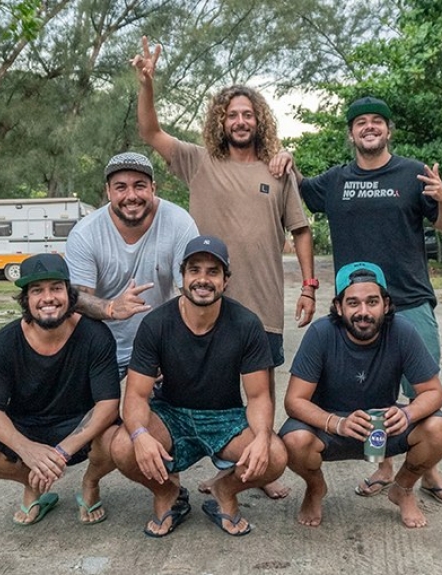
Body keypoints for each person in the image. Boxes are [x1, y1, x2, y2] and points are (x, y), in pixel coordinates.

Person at [132, 36, 316, 499]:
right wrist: (147, 83)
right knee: (193, 386)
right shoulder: (198, 161)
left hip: (263, 300)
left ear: (259, 121)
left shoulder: (279, 171)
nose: (240, 121)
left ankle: (254, 465)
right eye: (232, 114)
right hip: (204, 302)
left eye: (247, 114)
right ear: (221, 120)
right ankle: (179, 459)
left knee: (262, 390)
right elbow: (150, 132)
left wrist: (310, 286)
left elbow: (301, 230)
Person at [275, 96, 442, 505]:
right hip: (356, 304)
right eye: (361, 122)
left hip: (409, 299)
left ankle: (426, 470)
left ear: (388, 130)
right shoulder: (336, 181)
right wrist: (288, 157)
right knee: (370, 389)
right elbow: (299, 190)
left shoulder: (413, 173)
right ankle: (382, 465)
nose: (370, 127)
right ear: (351, 133)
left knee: (420, 391)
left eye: (378, 121)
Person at [110, 235, 288, 537]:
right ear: (182, 277)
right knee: (123, 446)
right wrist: (140, 434)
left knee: (275, 455)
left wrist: (260, 436)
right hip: (170, 415)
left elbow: (258, 396)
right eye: (194, 270)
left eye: (212, 271)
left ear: (226, 280)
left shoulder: (246, 324)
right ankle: (166, 492)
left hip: (225, 416)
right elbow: (136, 395)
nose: (202, 279)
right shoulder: (156, 324)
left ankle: (225, 491)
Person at [280, 262, 442, 529]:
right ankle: (315, 488)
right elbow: (294, 400)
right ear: (339, 307)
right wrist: (337, 423)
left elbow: (433, 391)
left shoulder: (402, 330)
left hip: (382, 427)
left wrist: (407, 414)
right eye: (353, 303)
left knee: (439, 428)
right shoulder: (321, 333)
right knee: (293, 440)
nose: (363, 312)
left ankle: (403, 488)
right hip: (332, 427)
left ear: (385, 304)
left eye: (372, 301)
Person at [0, 253, 121, 526]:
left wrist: (63, 451)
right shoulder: (5, 343)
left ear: (69, 294)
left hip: (78, 426)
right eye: (37, 290)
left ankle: (91, 482)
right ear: (26, 299)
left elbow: (108, 405)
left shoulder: (95, 336)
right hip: (28, 425)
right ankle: (32, 483)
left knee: (118, 441)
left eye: (56, 288)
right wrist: (27, 450)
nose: (48, 297)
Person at [65, 151, 199, 378]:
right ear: (108, 191)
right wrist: (111, 308)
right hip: (103, 347)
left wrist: (177, 346)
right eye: (120, 187)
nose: (131, 195)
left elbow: (189, 290)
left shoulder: (178, 222)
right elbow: (76, 296)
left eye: (139, 186)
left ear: (153, 189)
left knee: (164, 410)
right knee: (97, 412)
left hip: (160, 346)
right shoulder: (85, 233)